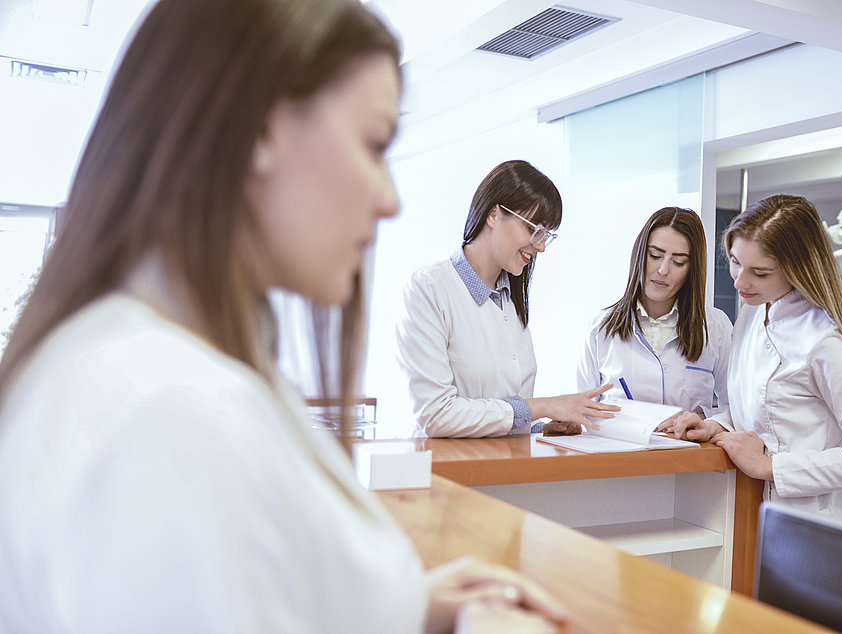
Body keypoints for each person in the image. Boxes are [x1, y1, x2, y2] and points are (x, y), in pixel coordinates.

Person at [0, 1, 565, 631]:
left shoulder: (170, 356)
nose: (387, 198)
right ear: (264, 130)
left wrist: (399, 605)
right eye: (374, 145)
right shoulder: (162, 405)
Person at [670, 194, 842, 526]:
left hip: (822, 527)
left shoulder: (825, 341)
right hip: (755, 514)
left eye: (759, 273)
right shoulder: (752, 315)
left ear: (797, 269)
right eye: (734, 261)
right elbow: (768, 413)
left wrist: (769, 467)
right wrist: (716, 423)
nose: (739, 281)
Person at [395, 160, 620, 438]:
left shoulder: (510, 300)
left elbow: (503, 413)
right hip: (443, 472)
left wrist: (539, 428)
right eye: (534, 230)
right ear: (493, 215)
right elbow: (435, 414)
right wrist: (543, 406)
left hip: (504, 472)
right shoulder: (429, 288)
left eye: (546, 235)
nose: (540, 247)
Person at [577, 207, 731, 420]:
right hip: (621, 451)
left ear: (692, 269)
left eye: (678, 262)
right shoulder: (601, 327)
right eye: (655, 256)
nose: (662, 270)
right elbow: (584, 411)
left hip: (688, 451)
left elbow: (736, 408)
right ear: (640, 254)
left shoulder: (715, 326)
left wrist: (705, 421)